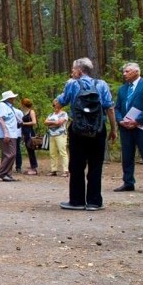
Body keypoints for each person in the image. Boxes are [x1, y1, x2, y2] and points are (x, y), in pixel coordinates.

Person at [56, 57, 117, 210]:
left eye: (72, 69)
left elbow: (59, 103)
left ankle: (76, 201)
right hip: (98, 129)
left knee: (76, 165)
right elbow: (109, 107)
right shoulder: (102, 84)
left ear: (79, 71)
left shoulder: (72, 84)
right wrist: (113, 129)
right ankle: (94, 202)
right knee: (96, 165)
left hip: (78, 129)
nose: (71, 72)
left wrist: (62, 93)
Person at [113, 62, 143, 192]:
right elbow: (117, 107)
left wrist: (138, 120)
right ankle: (128, 182)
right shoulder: (123, 89)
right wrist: (120, 120)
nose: (124, 74)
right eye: (124, 71)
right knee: (127, 156)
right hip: (125, 127)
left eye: (127, 71)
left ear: (136, 72)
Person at [0, 90, 20, 182]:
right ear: (9, 98)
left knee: (7, 154)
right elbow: (1, 119)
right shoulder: (2, 106)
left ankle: (7, 174)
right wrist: (6, 133)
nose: (14, 98)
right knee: (11, 154)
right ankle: (1, 173)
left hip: (12, 133)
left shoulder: (8, 107)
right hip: (7, 133)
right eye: (13, 97)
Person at [44, 98, 69, 177]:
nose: (56, 106)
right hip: (52, 135)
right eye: (54, 104)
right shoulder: (51, 115)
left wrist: (50, 124)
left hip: (61, 134)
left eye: (57, 104)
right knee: (52, 153)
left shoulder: (64, 114)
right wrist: (53, 123)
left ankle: (65, 170)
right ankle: (53, 170)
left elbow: (59, 123)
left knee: (62, 152)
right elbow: (45, 122)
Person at [19, 98, 39, 175]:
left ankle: (34, 168)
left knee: (31, 150)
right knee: (29, 150)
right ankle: (32, 167)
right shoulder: (24, 112)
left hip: (30, 132)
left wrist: (24, 123)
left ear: (24, 104)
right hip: (25, 133)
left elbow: (34, 122)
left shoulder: (31, 111)